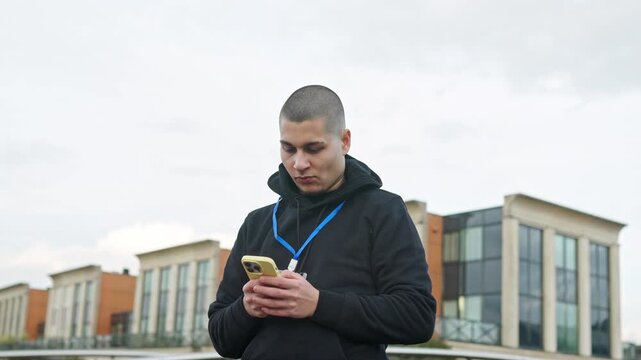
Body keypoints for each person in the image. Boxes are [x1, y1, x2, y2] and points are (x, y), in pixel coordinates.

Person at [208, 85, 436, 359]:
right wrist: (246, 307)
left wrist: (318, 304)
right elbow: (222, 340)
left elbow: (417, 317)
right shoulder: (257, 222)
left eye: (313, 149)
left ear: (345, 140)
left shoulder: (383, 211)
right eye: (288, 149)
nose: (299, 163)